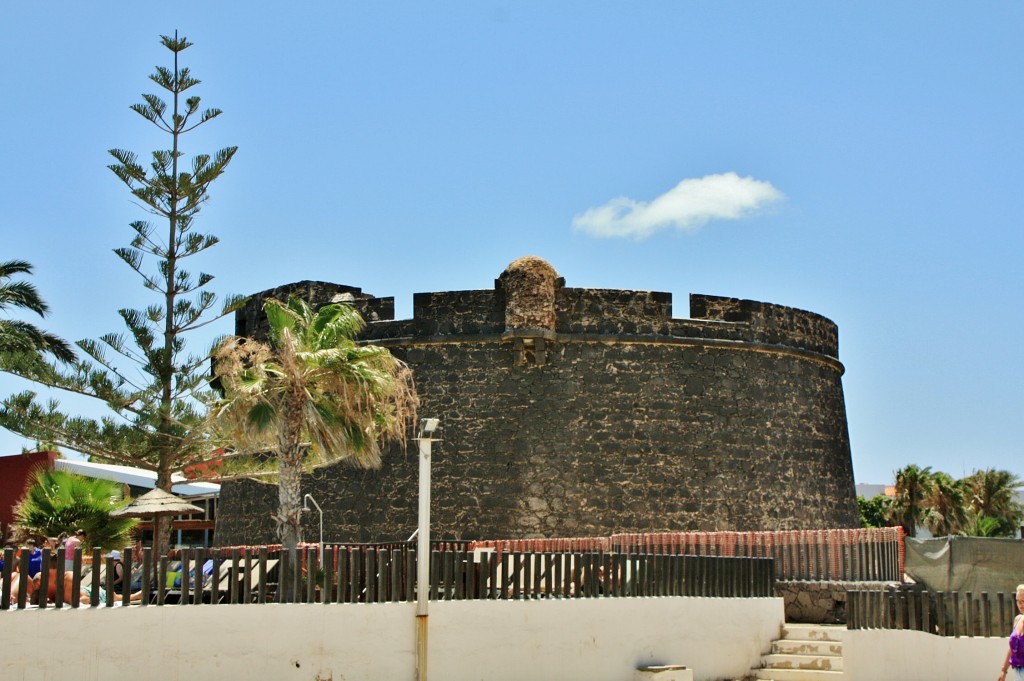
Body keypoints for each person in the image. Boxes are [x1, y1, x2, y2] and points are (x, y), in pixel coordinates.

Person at [999, 584, 1024, 681]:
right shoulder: (1017, 619)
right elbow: (1012, 648)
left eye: (1023, 601)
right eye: (1018, 601)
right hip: (1018, 672)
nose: (1020, 604)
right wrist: (1004, 670)